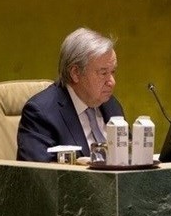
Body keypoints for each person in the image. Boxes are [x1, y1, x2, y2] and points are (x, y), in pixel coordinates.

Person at [17, 28, 124, 162]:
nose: (112, 82)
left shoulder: (111, 105)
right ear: (75, 73)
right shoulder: (41, 113)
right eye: (103, 73)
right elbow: (39, 176)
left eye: (113, 72)